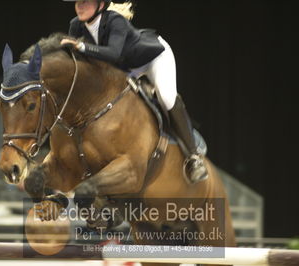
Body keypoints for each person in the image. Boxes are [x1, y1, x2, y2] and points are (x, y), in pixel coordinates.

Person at [60, 0, 208, 184]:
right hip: (123, 68)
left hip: (152, 59)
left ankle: (193, 157)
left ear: (100, 5)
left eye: (85, 2)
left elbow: (114, 54)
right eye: (77, 3)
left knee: (166, 97)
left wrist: (82, 47)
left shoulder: (115, 21)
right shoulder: (75, 25)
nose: (79, 6)